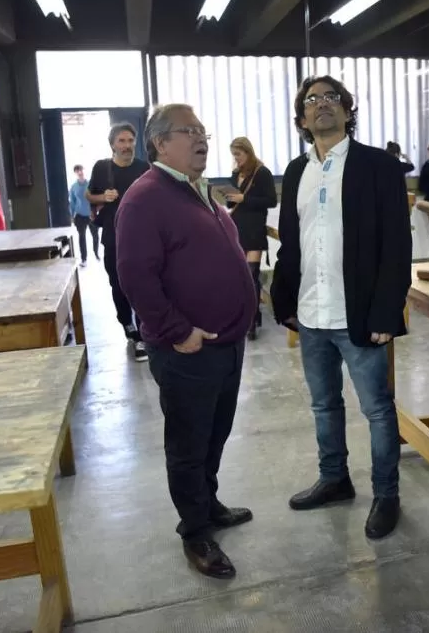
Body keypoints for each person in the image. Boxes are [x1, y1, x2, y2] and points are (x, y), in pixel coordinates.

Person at [116, 103, 256, 579]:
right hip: (187, 349)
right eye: (189, 131)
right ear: (160, 142)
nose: (201, 138)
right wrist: (178, 331)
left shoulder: (200, 190)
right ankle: (195, 531)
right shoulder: (145, 197)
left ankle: (209, 503)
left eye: (203, 130)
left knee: (214, 433)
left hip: (226, 343)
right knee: (189, 442)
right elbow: (135, 276)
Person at [270, 76, 412, 540]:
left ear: (349, 111)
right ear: (301, 120)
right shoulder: (295, 172)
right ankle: (335, 479)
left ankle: (386, 495)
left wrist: (388, 313)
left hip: (360, 317)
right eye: (312, 100)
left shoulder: (379, 167)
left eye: (332, 98)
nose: (322, 105)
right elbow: (291, 243)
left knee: (377, 410)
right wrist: (284, 300)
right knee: (323, 406)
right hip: (311, 315)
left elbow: (396, 246)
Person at [86, 122, 151, 361]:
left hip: (142, 236)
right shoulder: (102, 168)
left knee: (145, 282)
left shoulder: (144, 168)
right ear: (112, 144)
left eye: (130, 141)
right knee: (118, 283)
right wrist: (103, 196)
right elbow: (89, 195)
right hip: (113, 237)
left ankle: (143, 334)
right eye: (122, 141)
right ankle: (129, 326)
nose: (127, 146)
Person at [224, 137, 277, 340]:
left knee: (251, 275)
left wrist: (244, 198)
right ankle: (245, 315)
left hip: (254, 228)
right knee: (239, 276)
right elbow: (231, 204)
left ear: (248, 152)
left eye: (238, 154)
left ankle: (252, 320)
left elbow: (271, 200)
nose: (236, 159)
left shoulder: (262, 173)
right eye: (233, 155)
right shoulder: (236, 173)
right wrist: (230, 196)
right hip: (237, 228)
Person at [69, 164, 99, 266]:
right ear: (75, 173)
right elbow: (72, 202)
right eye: (77, 171)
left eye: (81, 170)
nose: (80, 172)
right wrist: (72, 216)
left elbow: (96, 197)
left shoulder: (91, 184)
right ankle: (84, 259)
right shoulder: (73, 187)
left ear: (83, 171)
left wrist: (97, 211)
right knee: (82, 237)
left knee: (95, 235)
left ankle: (96, 253)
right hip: (80, 216)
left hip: (91, 214)